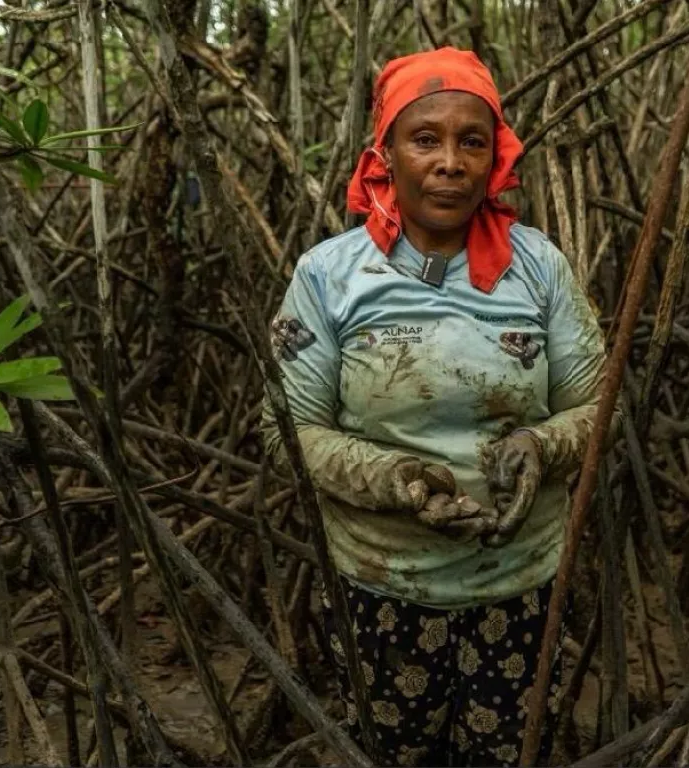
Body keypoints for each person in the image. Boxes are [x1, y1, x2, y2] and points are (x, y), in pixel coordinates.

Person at [261, 46, 613, 767]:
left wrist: (542, 447)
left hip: (519, 589)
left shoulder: (539, 267)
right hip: (379, 589)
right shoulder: (329, 276)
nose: (449, 161)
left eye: (470, 141)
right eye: (425, 139)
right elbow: (290, 431)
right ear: (385, 152)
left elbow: (596, 405)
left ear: (495, 158)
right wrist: (398, 480)